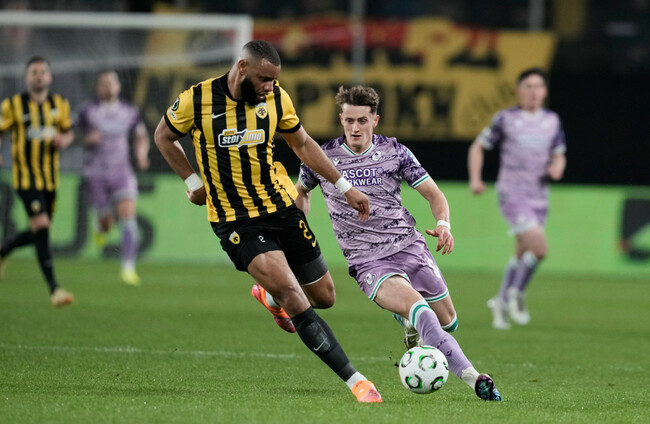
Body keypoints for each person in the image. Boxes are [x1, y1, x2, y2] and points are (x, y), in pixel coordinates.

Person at [153, 40, 382, 403]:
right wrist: (193, 182)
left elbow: (302, 144)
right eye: (264, 79)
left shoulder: (276, 99)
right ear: (242, 68)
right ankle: (357, 381)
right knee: (294, 295)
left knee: (324, 297)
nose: (269, 86)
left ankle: (269, 295)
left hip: (280, 208)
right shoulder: (197, 100)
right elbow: (163, 136)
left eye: (274, 80)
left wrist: (344, 187)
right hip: (236, 221)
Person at [296, 85, 502, 402]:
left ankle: (408, 321)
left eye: (362, 121)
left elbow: (434, 194)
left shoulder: (395, 152)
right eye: (349, 120)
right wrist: (300, 218)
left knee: (448, 322)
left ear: (375, 120)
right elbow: (302, 190)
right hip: (368, 261)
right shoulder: (323, 157)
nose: (354, 128)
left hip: (409, 247)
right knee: (422, 311)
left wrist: (444, 224)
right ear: (341, 119)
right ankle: (475, 379)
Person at [467, 67, 567, 330]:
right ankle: (517, 294)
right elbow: (478, 146)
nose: (533, 92)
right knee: (540, 249)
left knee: (522, 252)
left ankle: (500, 301)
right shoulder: (506, 119)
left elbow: (559, 153)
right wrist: (476, 179)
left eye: (538, 87)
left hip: (539, 196)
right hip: (513, 194)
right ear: (519, 91)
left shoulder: (552, 121)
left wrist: (557, 168)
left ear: (544, 92)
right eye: (528, 86)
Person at [0, 56, 75, 306]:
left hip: (50, 180)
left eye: (43, 71)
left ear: (49, 77)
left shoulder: (59, 104)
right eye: (34, 72)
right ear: (27, 77)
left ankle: (3, 251)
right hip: (25, 178)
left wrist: (64, 140)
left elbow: (68, 132)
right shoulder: (13, 105)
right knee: (41, 226)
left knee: (40, 229)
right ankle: (54, 288)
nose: (39, 76)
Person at [75, 70, 150, 286]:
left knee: (128, 218)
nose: (108, 86)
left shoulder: (129, 111)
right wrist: (86, 139)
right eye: (104, 83)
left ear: (118, 86)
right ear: (98, 88)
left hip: (122, 172)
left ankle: (128, 268)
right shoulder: (88, 111)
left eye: (112, 82)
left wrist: (142, 154)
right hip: (96, 174)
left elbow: (141, 135)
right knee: (106, 223)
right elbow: (71, 135)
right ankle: (100, 226)